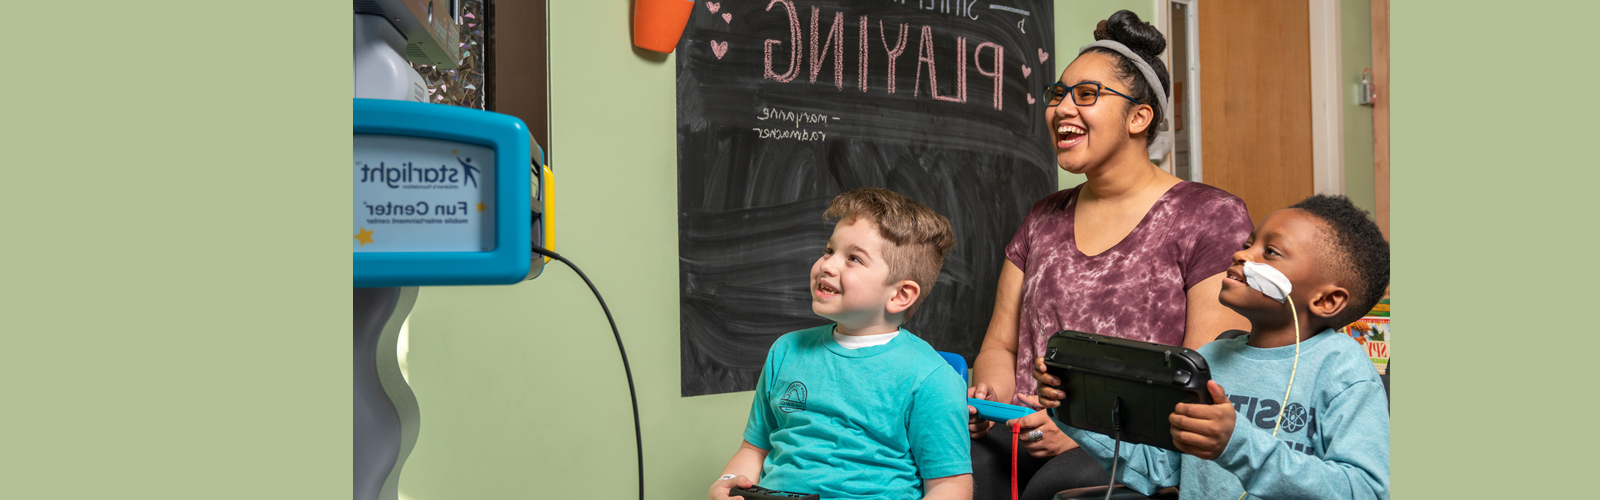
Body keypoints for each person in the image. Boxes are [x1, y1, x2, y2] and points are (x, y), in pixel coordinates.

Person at [965, 10, 1254, 500]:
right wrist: (991, 403)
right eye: (1058, 95)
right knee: (955, 469)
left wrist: (1084, 430)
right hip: (1024, 429)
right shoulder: (1042, 216)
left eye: (1087, 95)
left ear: (1139, 117)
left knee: (1060, 489)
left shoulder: (1210, 215)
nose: (1061, 109)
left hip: (1138, 446)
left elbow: (1205, 374)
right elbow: (1000, 345)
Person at [1033, 194, 1392, 499]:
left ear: (1327, 301)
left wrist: (1236, 444)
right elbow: (1160, 470)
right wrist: (1073, 409)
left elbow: (1365, 490)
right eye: (1248, 243)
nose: (1242, 254)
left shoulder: (1343, 370)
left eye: (1270, 251)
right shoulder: (1208, 360)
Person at [709, 188, 973, 500]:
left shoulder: (932, 378)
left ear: (900, 295)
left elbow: (950, 486)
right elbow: (754, 449)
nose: (827, 265)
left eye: (853, 258)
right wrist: (727, 481)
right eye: (829, 250)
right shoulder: (786, 351)